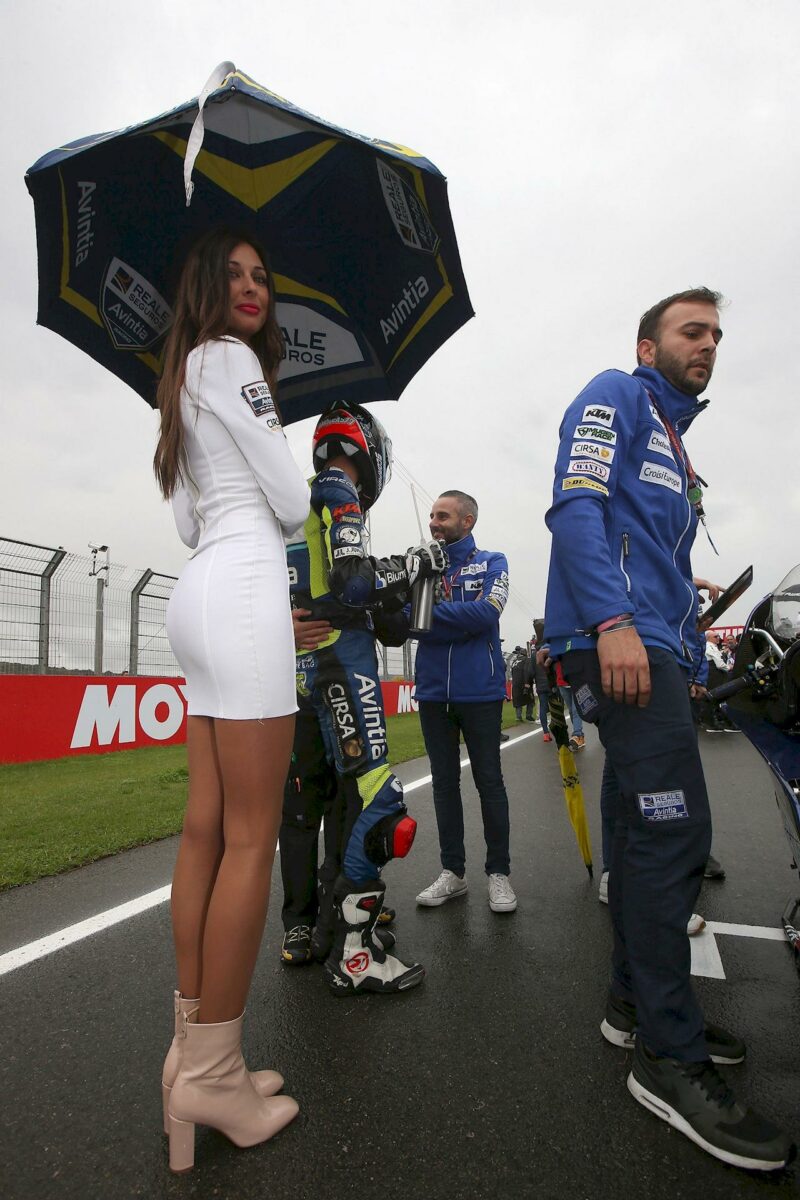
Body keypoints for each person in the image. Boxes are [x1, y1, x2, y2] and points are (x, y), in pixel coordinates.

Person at [543, 287, 793, 1169]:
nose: (711, 344)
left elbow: (662, 558)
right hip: (620, 641)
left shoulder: (674, 437)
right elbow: (575, 506)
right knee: (672, 834)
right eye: (693, 331)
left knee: (634, 825)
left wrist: (683, 645)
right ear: (648, 346)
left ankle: (631, 1007)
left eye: (719, 333)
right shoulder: (614, 392)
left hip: (656, 649)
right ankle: (668, 1057)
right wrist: (613, 622)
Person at [153, 229, 308, 1172]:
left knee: (205, 828)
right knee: (254, 834)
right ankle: (212, 1071)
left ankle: (192, 1050)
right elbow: (288, 502)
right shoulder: (231, 360)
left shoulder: (178, 379)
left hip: (199, 589)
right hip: (248, 582)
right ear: (207, 287)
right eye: (237, 275)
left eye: (263, 278)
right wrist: (283, 445)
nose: (253, 288)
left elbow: (180, 514)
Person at [280, 401, 446, 994]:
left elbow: (373, 610)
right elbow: (354, 581)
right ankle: (354, 957)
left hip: (312, 671)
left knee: (352, 801)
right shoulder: (336, 490)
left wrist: (400, 588)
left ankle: (333, 929)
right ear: (369, 452)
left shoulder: (295, 499)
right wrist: (408, 564)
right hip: (337, 668)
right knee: (380, 807)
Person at [414, 491, 517, 913]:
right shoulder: (420, 565)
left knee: (489, 782)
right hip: (434, 693)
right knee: (443, 784)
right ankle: (453, 873)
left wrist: (430, 616)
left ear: (467, 521)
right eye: (432, 515)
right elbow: (410, 624)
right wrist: (441, 619)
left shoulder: (494, 561)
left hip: (481, 692)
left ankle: (499, 873)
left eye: (443, 515)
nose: (434, 522)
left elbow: (487, 615)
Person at [510, 646, 535, 721]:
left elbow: (512, 673)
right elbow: (527, 671)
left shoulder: (514, 661)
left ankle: (518, 716)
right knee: (531, 700)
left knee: (518, 701)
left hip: (515, 684)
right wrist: (528, 682)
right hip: (525, 683)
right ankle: (528, 715)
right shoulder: (527, 660)